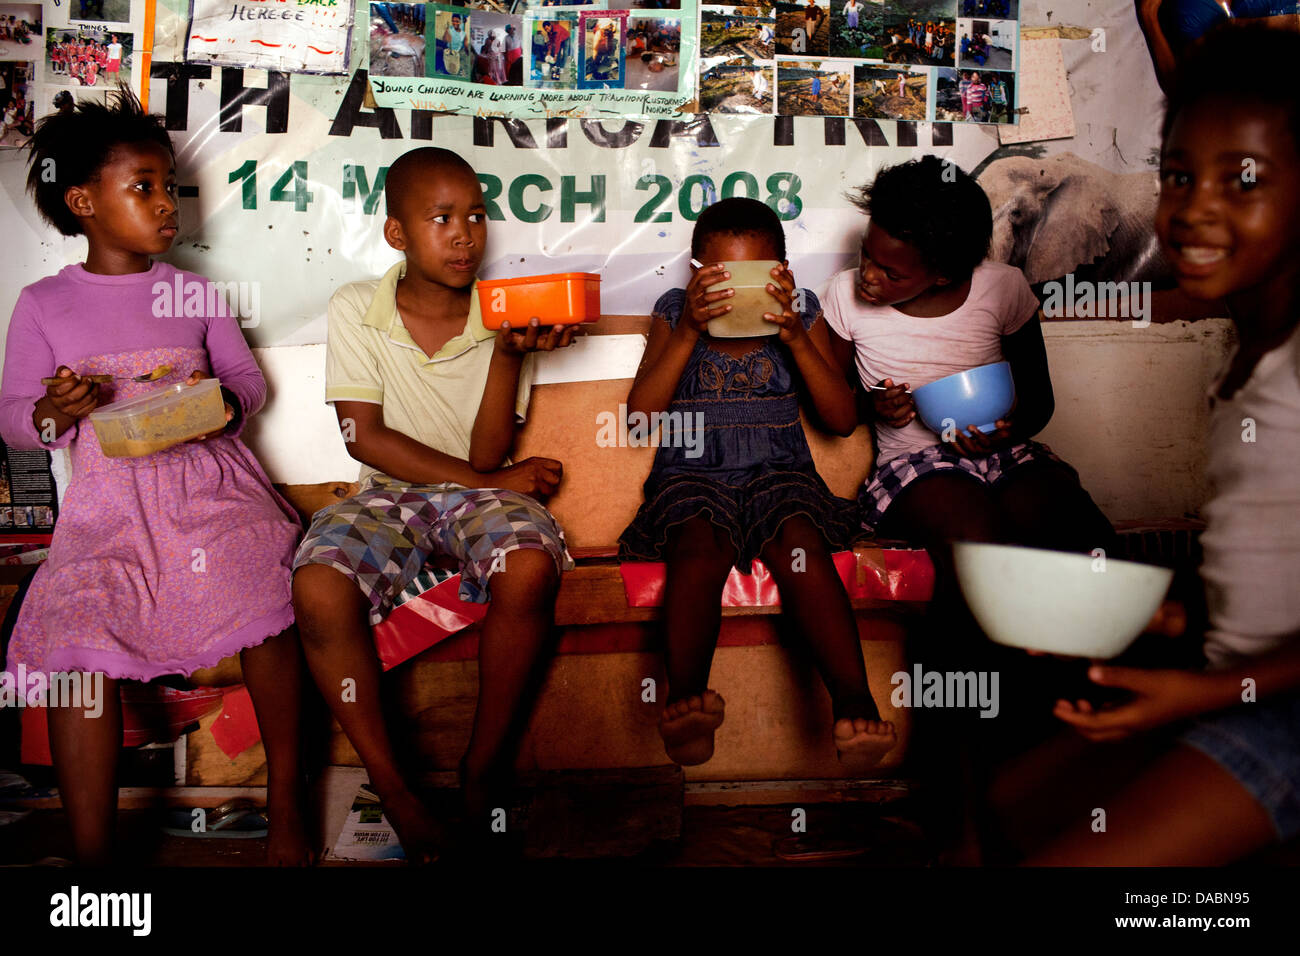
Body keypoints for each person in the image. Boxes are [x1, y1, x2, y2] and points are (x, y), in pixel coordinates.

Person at [983, 25, 1300, 868]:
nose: (1194, 207)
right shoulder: (1252, 348)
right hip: (1238, 679)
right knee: (1003, 814)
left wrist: (1203, 690)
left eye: (1244, 181)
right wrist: (1165, 616)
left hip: (1281, 711)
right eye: (1178, 176)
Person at [0, 90, 310, 867]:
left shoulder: (195, 292)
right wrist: (53, 409)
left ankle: (288, 809)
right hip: (108, 508)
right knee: (75, 628)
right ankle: (92, 852)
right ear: (83, 202)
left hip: (212, 490)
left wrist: (217, 407)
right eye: (144, 187)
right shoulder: (42, 305)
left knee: (270, 590)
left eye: (169, 186)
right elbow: (15, 420)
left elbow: (247, 384)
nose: (166, 204)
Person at [291, 148, 578, 863]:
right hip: (389, 496)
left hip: (477, 496)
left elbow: (485, 458)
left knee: (530, 566)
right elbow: (367, 436)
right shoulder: (358, 306)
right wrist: (498, 483)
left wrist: (510, 354)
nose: (464, 235)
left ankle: (483, 771)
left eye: (476, 216)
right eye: (442, 218)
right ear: (397, 235)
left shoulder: (503, 312)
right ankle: (395, 789)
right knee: (319, 584)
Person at [618, 198, 896, 768]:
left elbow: (842, 421)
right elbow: (640, 418)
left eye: (760, 276)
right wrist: (690, 330)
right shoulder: (673, 312)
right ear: (696, 276)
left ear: (785, 273)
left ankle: (854, 704)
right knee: (696, 550)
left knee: (801, 545)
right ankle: (687, 701)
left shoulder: (805, 313)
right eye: (720, 277)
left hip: (781, 475)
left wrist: (795, 336)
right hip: (691, 477)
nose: (740, 290)